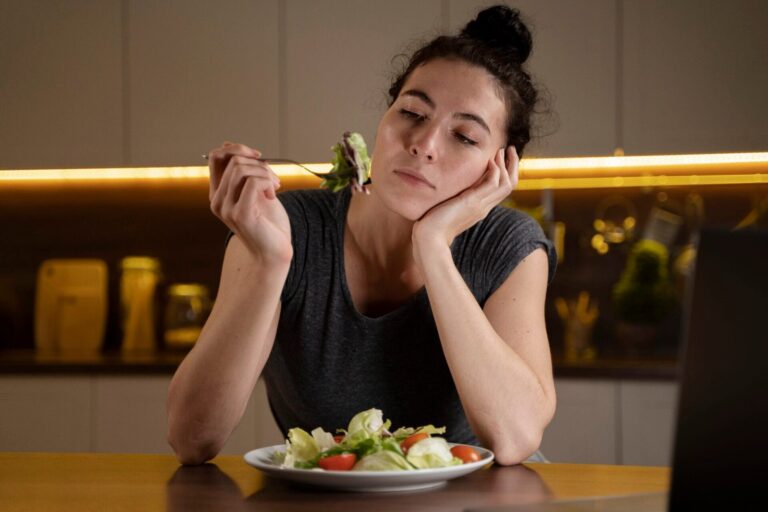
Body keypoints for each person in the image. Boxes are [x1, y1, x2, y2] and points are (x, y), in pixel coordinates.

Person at [167, 4, 557, 467]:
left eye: (465, 137)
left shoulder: (508, 245)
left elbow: (514, 438)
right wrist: (271, 263)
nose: (424, 145)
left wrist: (432, 245)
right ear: (385, 117)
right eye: (412, 112)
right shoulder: (280, 228)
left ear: (500, 168)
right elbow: (192, 438)